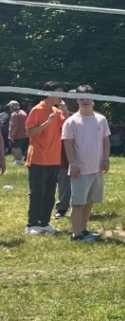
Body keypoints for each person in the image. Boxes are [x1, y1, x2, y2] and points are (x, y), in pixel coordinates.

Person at [60, 87, 110, 241]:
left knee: (90, 201)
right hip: (80, 170)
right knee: (77, 204)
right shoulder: (71, 121)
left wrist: (106, 159)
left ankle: (83, 230)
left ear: (93, 98)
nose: (85, 101)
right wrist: (73, 164)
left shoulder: (101, 119)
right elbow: (67, 144)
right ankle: (76, 235)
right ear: (77, 101)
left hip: (96, 169)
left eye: (87, 98)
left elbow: (105, 140)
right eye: (82, 99)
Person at [24, 81, 67, 234]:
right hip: (38, 157)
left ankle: (44, 223)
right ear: (48, 93)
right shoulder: (37, 110)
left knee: (50, 192)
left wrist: (63, 107)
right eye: (58, 92)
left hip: (54, 158)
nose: (61, 96)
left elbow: (67, 124)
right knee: (37, 192)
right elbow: (29, 132)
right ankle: (31, 224)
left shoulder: (57, 110)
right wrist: (47, 122)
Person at [8, 101, 28, 165]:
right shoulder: (23, 112)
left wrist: (12, 135)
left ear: (12, 107)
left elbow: (14, 125)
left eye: (10, 107)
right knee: (18, 147)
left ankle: (18, 161)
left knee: (16, 147)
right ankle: (18, 159)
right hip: (24, 134)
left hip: (16, 134)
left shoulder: (14, 114)